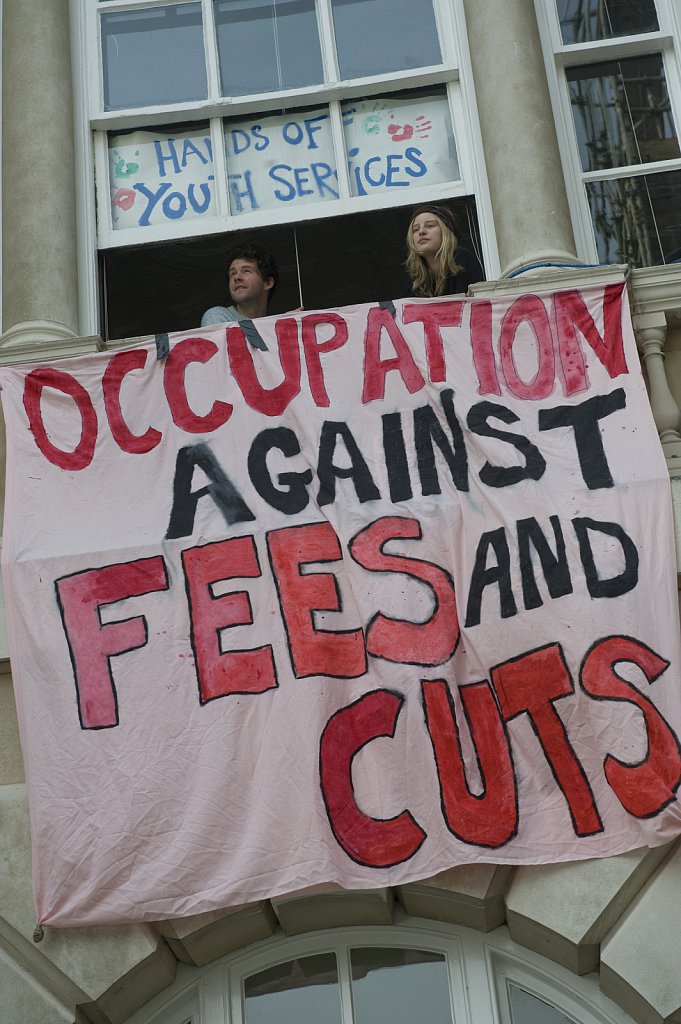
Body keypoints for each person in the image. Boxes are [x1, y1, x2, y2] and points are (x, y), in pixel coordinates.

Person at [405, 203, 484, 298]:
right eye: (415, 229)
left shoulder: (463, 260)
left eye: (430, 226)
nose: (421, 231)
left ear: (446, 232)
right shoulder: (415, 279)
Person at [202, 243, 279, 327]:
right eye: (233, 273)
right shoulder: (217, 316)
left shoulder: (274, 326)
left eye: (246, 271)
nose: (236, 277)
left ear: (268, 282)